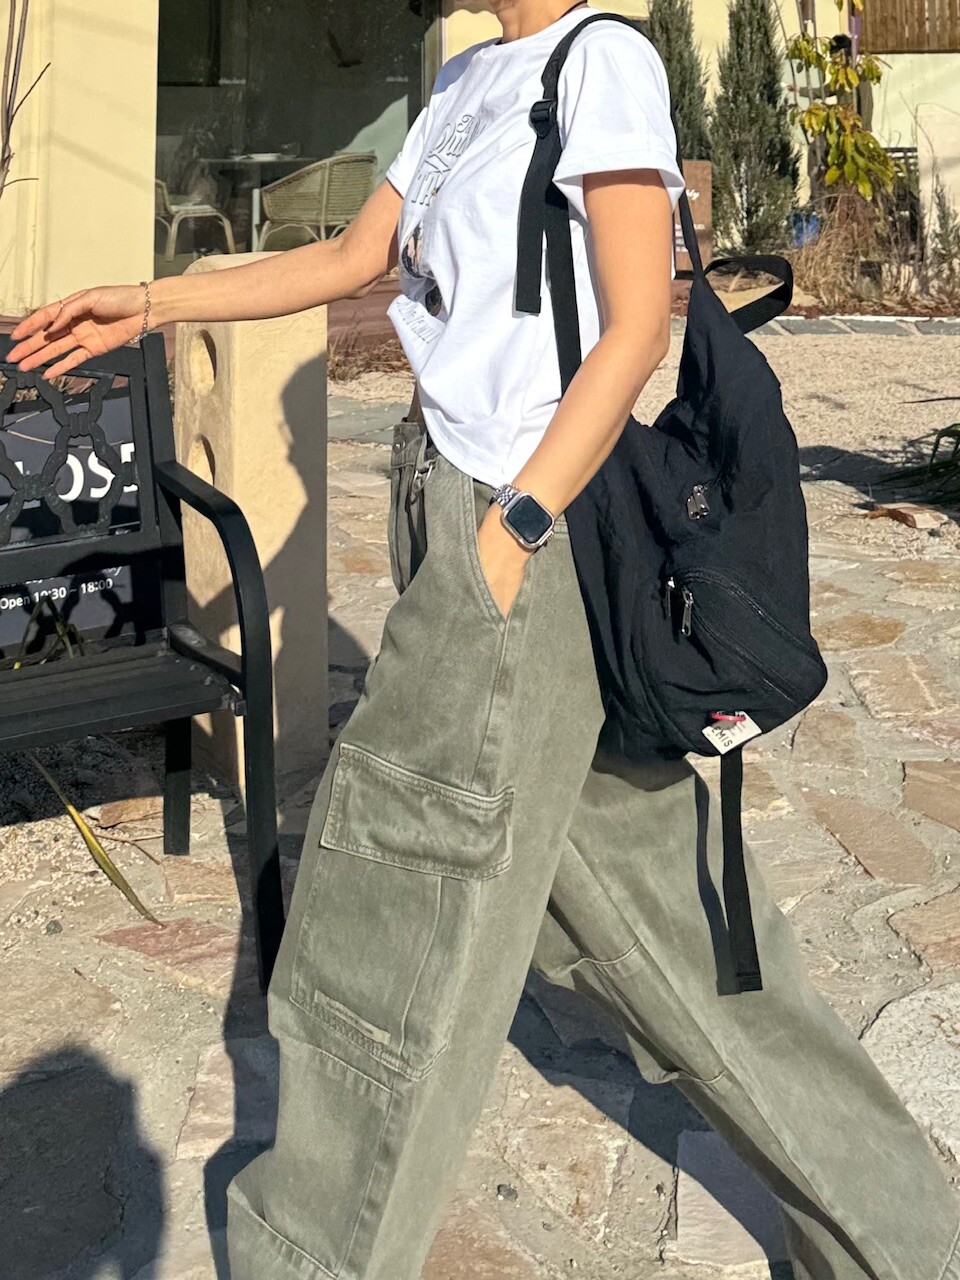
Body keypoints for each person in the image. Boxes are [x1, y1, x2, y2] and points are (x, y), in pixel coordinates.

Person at [10, 3, 960, 1278]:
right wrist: (148, 300)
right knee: (672, 927)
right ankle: (905, 1238)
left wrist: (511, 529)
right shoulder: (468, 79)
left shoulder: (600, 58)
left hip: (519, 527)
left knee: (391, 916)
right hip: (455, 509)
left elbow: (638, 322)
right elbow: (352, 257)